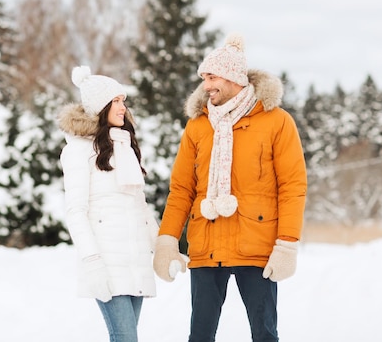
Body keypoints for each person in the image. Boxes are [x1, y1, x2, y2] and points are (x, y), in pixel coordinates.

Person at [153, 34, 307, 342]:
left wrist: (287, 243)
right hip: (206, 246)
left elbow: (292, 186)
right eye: (204, 77)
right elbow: (181, 188)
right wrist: (167, 240)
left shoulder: (276, 121)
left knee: (264, 334)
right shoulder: (197, 126)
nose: (206, 84)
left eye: (212, 77)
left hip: (256, 246)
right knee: (199, 336)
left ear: (234, 77)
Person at [58, 66, 158, 342]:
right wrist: (93, 264)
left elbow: (140, 207)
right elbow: (76, 212)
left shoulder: (124, 147)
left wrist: (161, 247)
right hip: (106, 263)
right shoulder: (78, 150)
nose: (123, 107)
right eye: (115, 101)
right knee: (125, 338)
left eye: (123, 100)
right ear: (100, 106)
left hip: (134, 261)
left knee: (127, 337)